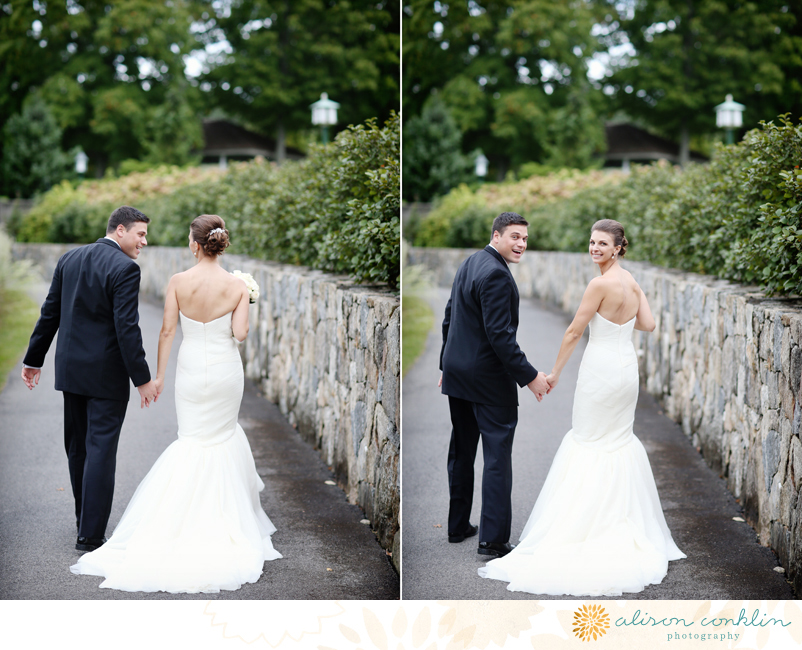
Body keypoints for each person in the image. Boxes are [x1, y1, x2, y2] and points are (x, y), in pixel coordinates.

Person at [70, 214, 282, 593]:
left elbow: (167, 330)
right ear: (217, 244)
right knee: (222, 437)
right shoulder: (237, 286)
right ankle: (225, 519)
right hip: (224, 373)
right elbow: (241, 333)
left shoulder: (178, 282)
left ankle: (175, 520)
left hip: (188, 372)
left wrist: (159, 377)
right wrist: (246, 299)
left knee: (192, 439)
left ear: (195, 245)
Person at [478, 219, 685, 596]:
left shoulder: (599, 284)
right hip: (626, 372)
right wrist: (622, 321)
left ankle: (586, 527)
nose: (595, 249)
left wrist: (554, 372)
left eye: (603, 244)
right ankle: (622, 523)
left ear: (618, 247)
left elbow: (575, 331)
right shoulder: (631, 282)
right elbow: (650, 324)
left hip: (601, 372)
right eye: (592, 242)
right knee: (618, 441)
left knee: (589, 441)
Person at [21, 206, 158, 552]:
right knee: (100, 450)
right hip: (105, 376)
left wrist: (33, 359)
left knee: (78, 448)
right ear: (121, 229)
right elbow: (127, 328)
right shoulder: (126, 269)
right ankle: (91, 535)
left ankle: (84, 522)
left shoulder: (70, 259)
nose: (144, 241)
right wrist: (142, 378)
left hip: (71, 371)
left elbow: (50, 312)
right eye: (140, 234)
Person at [439, 212, 551, 558]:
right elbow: (501, 338)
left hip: (458, 375)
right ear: (497, 235)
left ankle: (458, 525)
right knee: (497, 457)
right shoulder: (497, 276)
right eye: (515, 237)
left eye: (525, 239)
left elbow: (449, 315)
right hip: (487, 381)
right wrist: (531, 377)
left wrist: (446, 363)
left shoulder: (471, 262)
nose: (521, 244)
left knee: (462, 450)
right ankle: (493, 540)